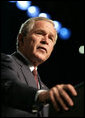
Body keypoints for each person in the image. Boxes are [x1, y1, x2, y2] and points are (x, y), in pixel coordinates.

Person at [1, 17, 77, 117]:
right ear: (21, 39)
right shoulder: (5, 61)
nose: (46, 40)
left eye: (51, 38)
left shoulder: (46, 89)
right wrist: (41, 96)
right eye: (40, 33)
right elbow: (9, 87)